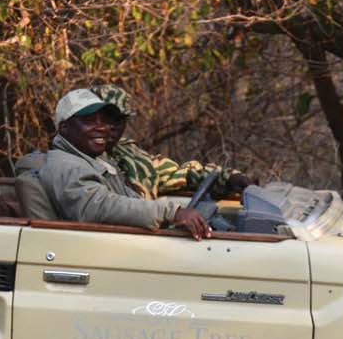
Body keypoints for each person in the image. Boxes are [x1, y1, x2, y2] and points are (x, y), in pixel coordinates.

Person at [18, 86, 225, 238]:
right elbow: (99, 207)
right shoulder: (67, 166)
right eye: (89, 121)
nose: (102, 128)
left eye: (103, 120)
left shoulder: (94, 160)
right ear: (64, 128)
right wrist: (171, 212)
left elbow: (129, 199)